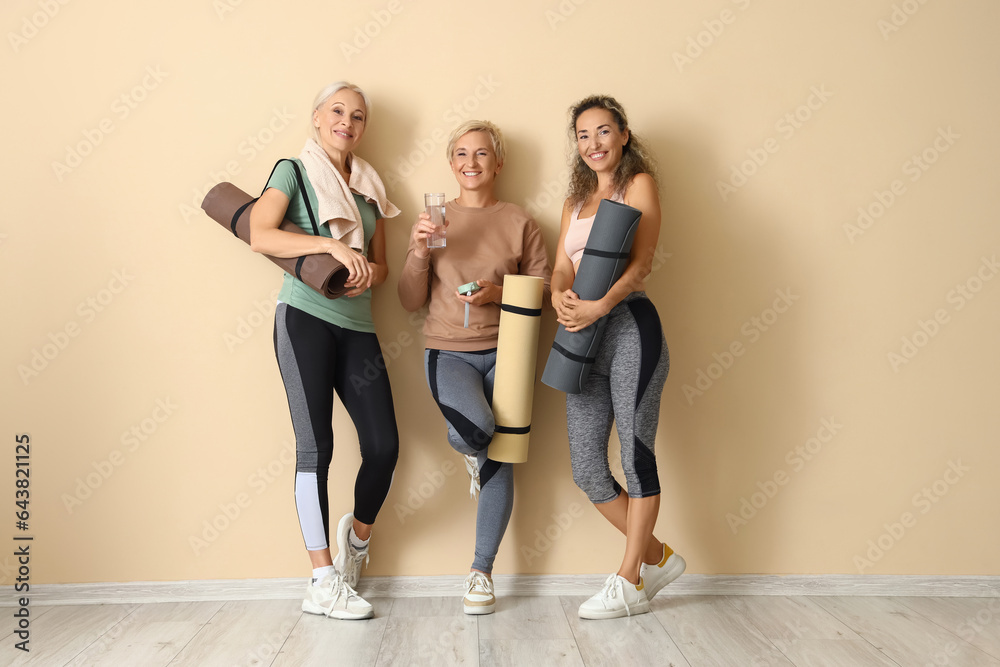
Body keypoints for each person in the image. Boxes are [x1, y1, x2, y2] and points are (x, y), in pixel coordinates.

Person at [249, 82, 400, 620]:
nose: (347, 122)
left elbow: (381, 267)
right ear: (317, 118)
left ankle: (355, 543)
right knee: (317, 447)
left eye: (357, 116)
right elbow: (262, 235)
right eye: (337, 111)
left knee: (384, 446)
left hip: (358, 327)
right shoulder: (292, 170)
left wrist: (367, 271)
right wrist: (332, 244)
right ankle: (321, 580)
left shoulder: (369, 191)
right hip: (305, 320)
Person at [398, 120, 551, 615]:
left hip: (510, 351)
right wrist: (419, 249)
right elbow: (407, 301)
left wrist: (498, 293)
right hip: (450, 351)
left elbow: (545, 292)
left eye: (482, 153)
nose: (471, 162)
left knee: (499, 460)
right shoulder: (434, 220)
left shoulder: (520, 222)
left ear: (498, 162)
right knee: (481, 432)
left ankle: (481, 573)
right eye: (461, 153)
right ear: (451, 163)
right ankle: (471, 447)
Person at [551, 95, 685, 619]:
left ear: (623, 135)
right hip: (582, 341)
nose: (593, 144)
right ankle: (658, 558)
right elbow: (564, 266)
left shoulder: (639, 185)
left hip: (630, 328)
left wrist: (600, 305)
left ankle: (628, 579)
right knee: (586, 466)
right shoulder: (576, 200)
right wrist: (560, 296)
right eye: (583, 136)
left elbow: (644, 261)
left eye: (603, 132)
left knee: (635, 455)